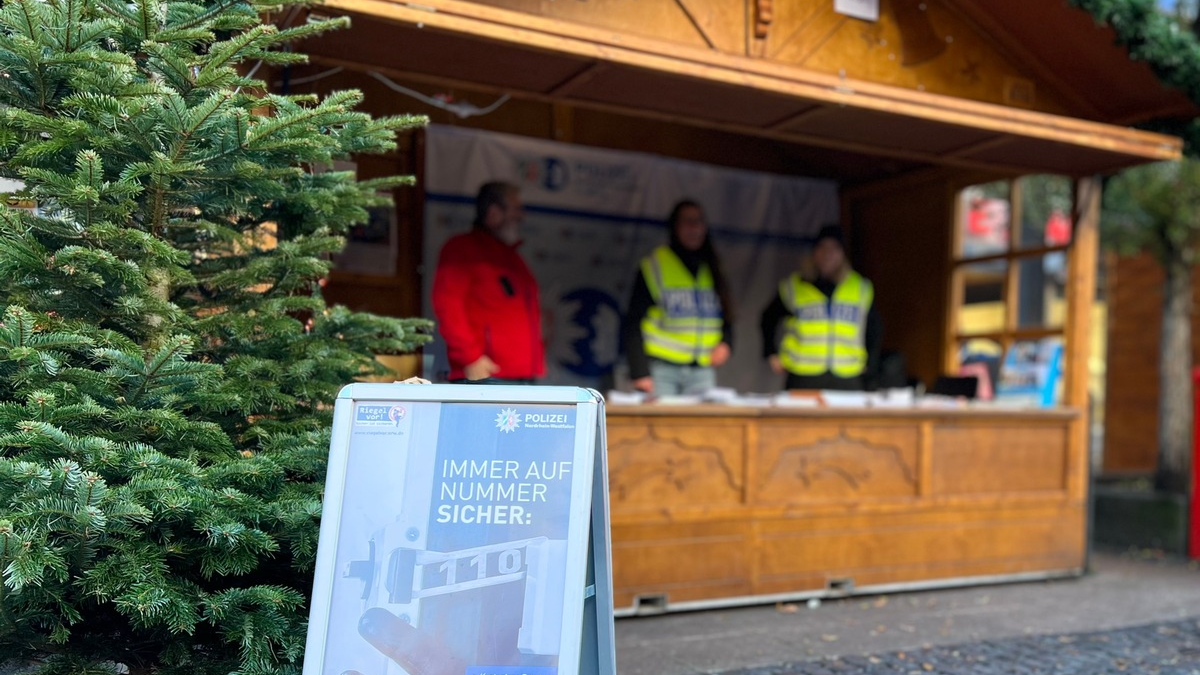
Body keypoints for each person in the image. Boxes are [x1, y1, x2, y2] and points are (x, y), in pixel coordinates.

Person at [432, 182, 544, 384]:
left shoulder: (513, 258)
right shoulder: (462, 249)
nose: (522, 216)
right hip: (484, 375)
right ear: (494, 212)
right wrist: (470, 357)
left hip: (521, 375)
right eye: (516, 209)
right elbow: (448, 307)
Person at [622, 200, 733, 395]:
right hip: (661, 368)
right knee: (660, 425)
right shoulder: (655, 265)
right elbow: (633, 321)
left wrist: (726, 342)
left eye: (698, 222)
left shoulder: (712, 266)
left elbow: (727, 314)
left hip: (701, 369)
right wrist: (639, 370)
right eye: (687, 222)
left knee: (699, 425)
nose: (694, 228)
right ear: (675, 227)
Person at [760, 224, 882, 391]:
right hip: (804, 374)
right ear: (814, 252)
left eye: (834, 249)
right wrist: (771, 353)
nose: (827, 255)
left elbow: (874, 330)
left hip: (847, 375)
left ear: (842, 254)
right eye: (822, 248)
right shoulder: (794, 286)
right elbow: (768, 319)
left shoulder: (860, 288)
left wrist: (870, 366)